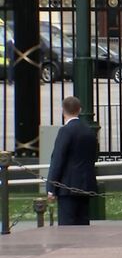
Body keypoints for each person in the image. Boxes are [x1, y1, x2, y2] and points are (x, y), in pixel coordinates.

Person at [46, 96, 98, 225]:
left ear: (63, 111)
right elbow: (93, 156)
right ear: (79, 110)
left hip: (67, 187)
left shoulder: (65, 131)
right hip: (85, 185)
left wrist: (51, 187)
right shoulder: (89, 131)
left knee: (67, 227)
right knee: (83, 223)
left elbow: (58, 160)